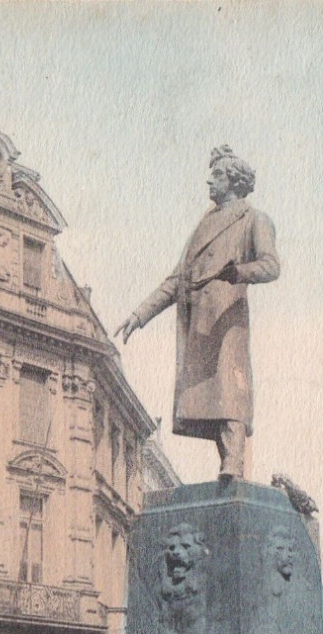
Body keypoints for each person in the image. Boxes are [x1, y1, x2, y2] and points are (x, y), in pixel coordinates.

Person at [115, 145, 280, 480]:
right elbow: (177, 279)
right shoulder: (201, 226)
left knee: (228, 391)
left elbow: (271, 266)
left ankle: (233, 461)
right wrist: (140, 314)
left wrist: (240, 272)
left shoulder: (254, 220)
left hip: (226, 319)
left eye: (217, 174)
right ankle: (228, 464)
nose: (209, 181)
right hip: (199, 322)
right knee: (210, 396)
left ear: (234, 181)